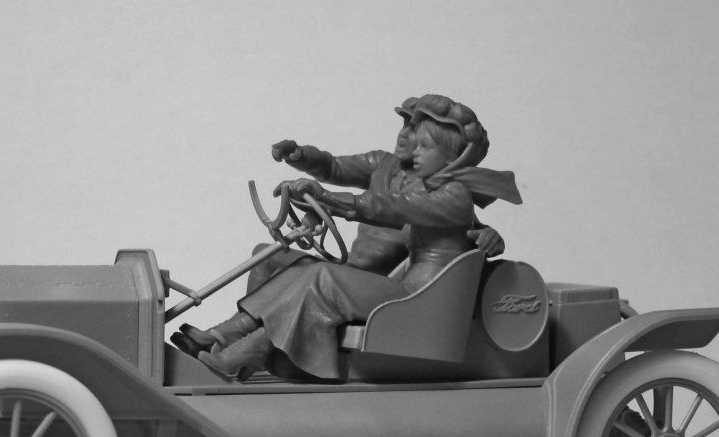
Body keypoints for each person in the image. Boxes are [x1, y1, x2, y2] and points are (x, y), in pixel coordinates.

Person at [193, 94, 522, 381]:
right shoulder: (405, 175)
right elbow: (337, 168)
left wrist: (331, 199)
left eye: (424, 143)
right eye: (409, 130)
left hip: (420, 298)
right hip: (407, 287)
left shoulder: (452, 195)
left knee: (319, 275)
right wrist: (306, 167)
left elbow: (396, 207)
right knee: (287, 261)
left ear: (453, 157)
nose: (410, 143)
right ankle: (234, 338)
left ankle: (249, 350)